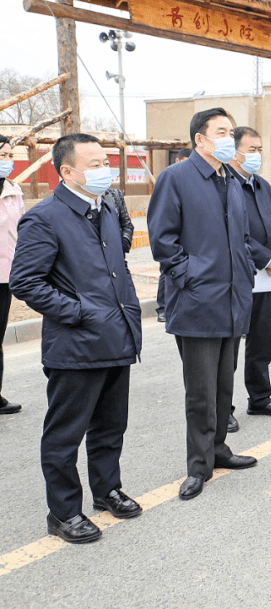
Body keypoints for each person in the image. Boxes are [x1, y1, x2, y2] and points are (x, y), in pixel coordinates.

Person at [10, 133, 143, 543]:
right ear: (67, 171)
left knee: (109, 427)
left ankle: (107, 490)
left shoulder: (102, 208)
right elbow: (25, 281)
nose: (106, 169)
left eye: (107, 161)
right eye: (96, 163)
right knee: (65, 434)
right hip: (76, 346)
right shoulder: (45, 217)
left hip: (116, 336)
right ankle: (64, 512)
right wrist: (80, 312)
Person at [148, 108, 258, 501]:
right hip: (197, 303)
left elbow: (241, 237)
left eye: (231, 131)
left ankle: (219, 449)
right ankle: (199, 465)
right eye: (222, 131)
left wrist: (243, 275)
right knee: (200, 391)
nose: (230, 138)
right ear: (200, 140)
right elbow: (163, 241)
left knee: (224, 385)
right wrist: (191, 276)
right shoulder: (176, 178)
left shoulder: (229, 179)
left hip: (232, 300)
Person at [226, 126, 271, 433]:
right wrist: (264, 257)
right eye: (252, 150)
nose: (257, 156)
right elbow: (235, 232)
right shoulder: (226, 185)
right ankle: (222, 408)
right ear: (235, 152)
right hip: (240, 275)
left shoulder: (262, 185)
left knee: (261, 341)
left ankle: (260, 397)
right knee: (230, 346)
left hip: (267, 278)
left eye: (259, 149)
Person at [0, 136, 24, 415]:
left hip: (5, 276)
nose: (7, 160)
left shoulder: (13, 191)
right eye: (3, 154)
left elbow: (21, 234)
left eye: (9, 155)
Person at [156, 148, 191, 323]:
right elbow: (162, 234)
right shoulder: (170, 178)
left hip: (190, 260)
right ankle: (162, 307)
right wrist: (183, 268)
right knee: (166, 275)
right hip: (178, 258)